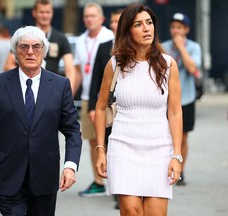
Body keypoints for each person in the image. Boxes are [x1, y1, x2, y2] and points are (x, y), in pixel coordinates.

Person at [0, 26, 82, 216]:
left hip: (45, 178)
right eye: (24, 47)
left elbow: (73, 131)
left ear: (44, 51)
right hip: (8, 176)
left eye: (36, 47)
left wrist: (70, 167)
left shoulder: (60, 85)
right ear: (15, 51)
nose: (30, 52)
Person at [94, 4, 183, 215]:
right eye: (138, 24)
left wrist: (176, 156)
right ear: (127, 31)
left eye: (149, 23)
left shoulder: (168, 65)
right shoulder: (114, 64)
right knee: (131, 212)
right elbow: (100, 108)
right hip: (123, 148)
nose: (146, 29)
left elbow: (175, 112)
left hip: (159, 148)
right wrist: (100, 150)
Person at [74, 2, 114, 197]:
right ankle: (98, 181)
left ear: (101, 18)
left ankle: (115, 182)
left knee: (111, 141)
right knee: (92, 140)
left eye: (93, 16)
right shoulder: (80, 41)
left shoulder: (110, 38)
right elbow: (77, 71)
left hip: (108, 99)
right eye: (86, 16)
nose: (89, 19)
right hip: (87, 98)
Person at [88, 8, 123, 208]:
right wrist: (93, 108)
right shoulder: (103, 47)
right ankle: (117, 189)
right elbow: (95, 79)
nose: (114, 25)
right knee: (110, 147)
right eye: (112, 21)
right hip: (107, 107)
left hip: (128, 106)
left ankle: (122, 191)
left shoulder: (137, 47)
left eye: (118, 21)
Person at [3, 0, 76, 95]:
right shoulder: (24, 37)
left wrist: (67, 93)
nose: (45, 15)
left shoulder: (61, 38)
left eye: (47, 12)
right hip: (27, 87)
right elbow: (8, 65)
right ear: (34, 13)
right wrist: (25, 78)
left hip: (51, 89)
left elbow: (70, 69)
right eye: (41, 12)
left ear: (52, 13)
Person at [162, 12, 202, 186]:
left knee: (183, 137)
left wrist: (181, 48)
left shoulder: (194, 47)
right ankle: (164, 166)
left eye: (179, 27)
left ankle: (181, 169)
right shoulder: (163, 47)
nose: (175, 31)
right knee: (165, 136)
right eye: (173, 27)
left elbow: (193, 68)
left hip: (186, 98)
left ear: (186, 29)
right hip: (165, 100)